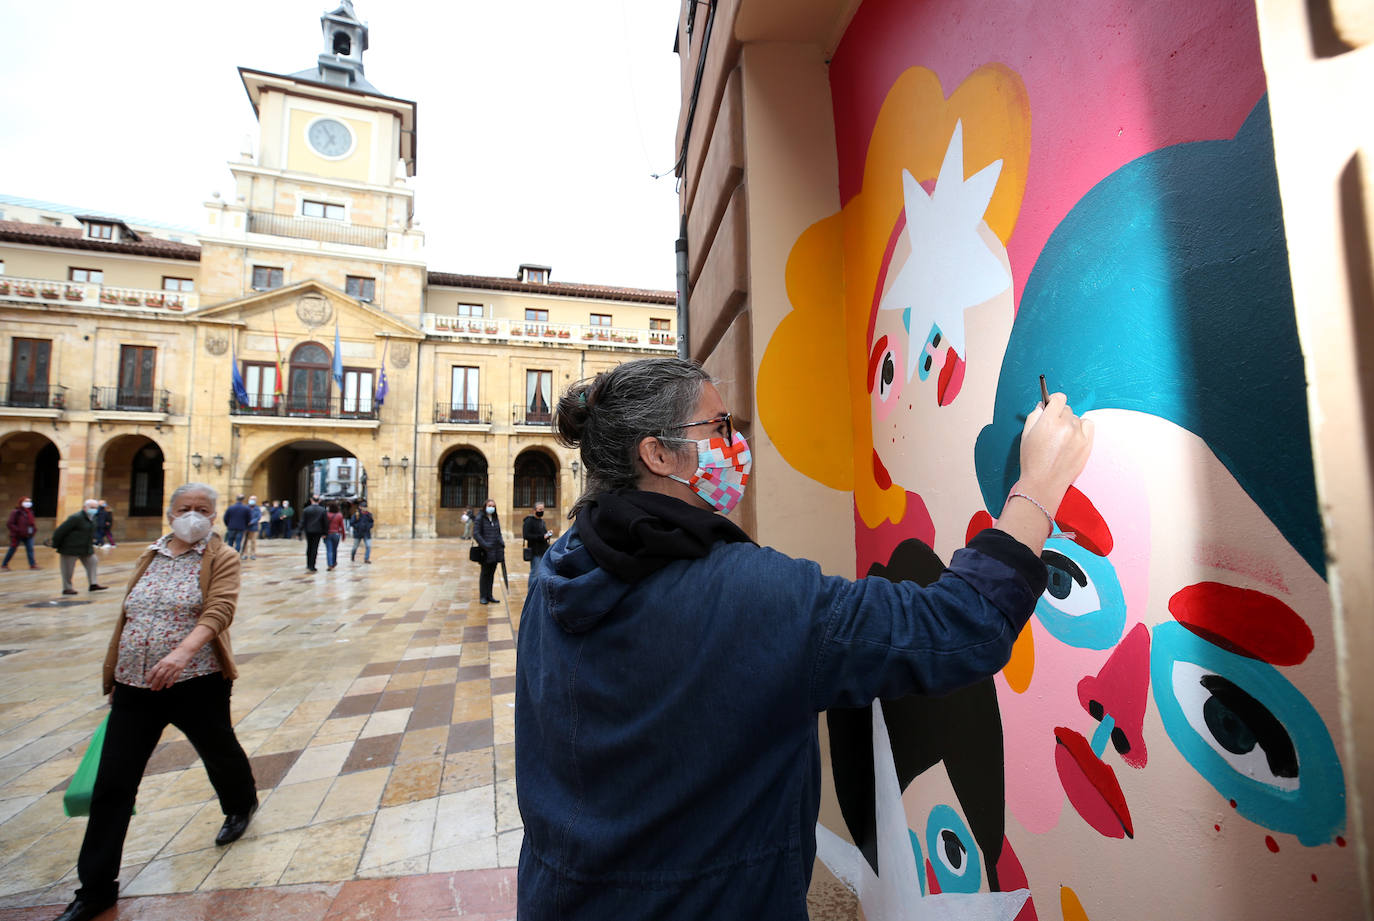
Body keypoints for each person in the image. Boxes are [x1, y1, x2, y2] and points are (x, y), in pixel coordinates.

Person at [513, 358, 1092, 919]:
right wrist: (1038, 485)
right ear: (658, 453)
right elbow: (959, 623)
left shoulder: (558, 572)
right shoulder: (753, 596)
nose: (735, 444)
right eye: (718, 427)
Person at [51, 483, 258, 921]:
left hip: (196, 681)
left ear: (214, 515)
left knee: (218, 750)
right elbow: (130, 611)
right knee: (113, 784)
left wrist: (182, 652)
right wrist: (115, 670)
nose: (193, 515)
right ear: (170, 514)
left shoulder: (221, 557)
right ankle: (95, 888)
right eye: (185, 508)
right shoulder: (151, 554)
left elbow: (220, 610)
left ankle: (240, 803)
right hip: (134, 687)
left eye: (203, 509)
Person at [50, 499, 108, 596]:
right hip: (70, 548)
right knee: (68, 569)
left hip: (86, 548)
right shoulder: (76, 518)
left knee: (93, 561)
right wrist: (55, 544)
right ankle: (67, 588)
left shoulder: (93, 518)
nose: (94, 509)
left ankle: (93, 584)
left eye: (95, 508)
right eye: (92, 507)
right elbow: (60, 531)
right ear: (85, 508)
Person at [472, 499, 504, 604]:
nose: (491, 508)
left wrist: (501, 542)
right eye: (490, 505)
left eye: (493, 506)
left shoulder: (495, 518)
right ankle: (483, 596)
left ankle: (489, 595)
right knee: (485, 573)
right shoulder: (480, 517)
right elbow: (476, 534)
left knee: (491, 573)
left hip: (495, 550)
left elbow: (498, 532)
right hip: (485, 551)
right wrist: (485, 545)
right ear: (485, 506)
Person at [3, 496, 39, 570]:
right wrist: (18, 530)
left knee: (30, 549)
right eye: (26, 501)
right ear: (21, 502)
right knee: (12, 549)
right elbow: (10, 523)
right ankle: (4, 565)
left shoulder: (30, 512)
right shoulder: (16, 512)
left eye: (29, 501)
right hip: (17, 535)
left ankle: (32, 565)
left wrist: (34, 530)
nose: (28, 503)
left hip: (28, 535)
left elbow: (31, 523)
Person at [522, 502, 553, 570]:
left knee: (541, 571)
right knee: (535, 572)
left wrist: (548, 534)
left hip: (543, 550)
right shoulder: (529, 521)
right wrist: (542, 537)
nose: (542, 511)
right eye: (540, 509)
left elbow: (543, 534)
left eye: (543, 509)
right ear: (534, 510)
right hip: (535, 551)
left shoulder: (542, 521)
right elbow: (526, 535)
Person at [299, 498, 328, 572]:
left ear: (311, 501)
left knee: (309, 547)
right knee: (315, 548)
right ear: (319, 501)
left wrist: (299, 531)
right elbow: (325, 522)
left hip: (308, 531)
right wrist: (325, 532)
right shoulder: (322, 510)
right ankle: (312, 565)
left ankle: (308, 564)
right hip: (318, 531)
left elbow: (302, 521)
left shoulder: (306, 510)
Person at [324, 501, 345, 571]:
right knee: (334, 549)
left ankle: (330, 564)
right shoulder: (339, 515)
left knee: (329, 550)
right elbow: (342, 526)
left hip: (328, 534)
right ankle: (333, 562)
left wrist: (322, 533)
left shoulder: (327, 514)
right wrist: (343, 535)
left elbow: (323, 524)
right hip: (336, 534)